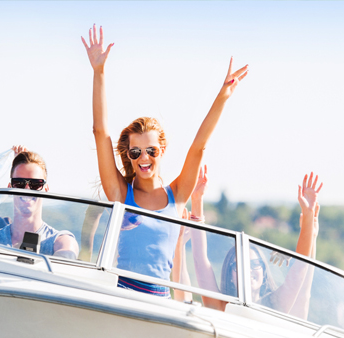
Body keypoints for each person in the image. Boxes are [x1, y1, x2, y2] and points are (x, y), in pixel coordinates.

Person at [82, 24, 248, 297]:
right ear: (129, 156)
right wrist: (98, 73)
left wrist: (223, 97)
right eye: (136, 152)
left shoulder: (178, 194)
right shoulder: (121, 194)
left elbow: (199, 147)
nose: (143, 158)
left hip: (161, 302)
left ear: (162, 150)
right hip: (122, 297)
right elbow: (100, 133)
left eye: (151, 150)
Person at [189, 167, 322, 317]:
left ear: (264, 272)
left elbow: (300, 267)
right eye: (238, 265)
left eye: (254, 264)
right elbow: (200, 259)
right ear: (230, 274)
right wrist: (196, 200)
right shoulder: (220, 305)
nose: (248, 270)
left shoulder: (275, 304)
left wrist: (308, 216)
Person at [0, 150, 79, 259]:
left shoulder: (61, 241)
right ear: (10, 187)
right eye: (19, 183)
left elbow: (67, 255)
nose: (27, 190)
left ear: (46, 189)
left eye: (35, 184)